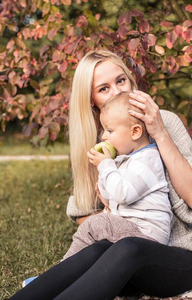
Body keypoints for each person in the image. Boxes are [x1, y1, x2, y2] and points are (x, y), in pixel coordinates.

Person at [10, 49, 192, 299]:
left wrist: (159, 133)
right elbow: (82, 213)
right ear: (91, 100)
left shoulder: (165, 122)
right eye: (104, 88)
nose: (118, 92)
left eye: (121, 81)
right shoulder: (103, 140)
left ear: (131, 81)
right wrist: (112, 216)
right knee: (105, 248)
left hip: (177, 259)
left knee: (129, 246)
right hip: (122, 259)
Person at [62, 92, 171, 260]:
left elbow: (123, 195)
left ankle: (63, 268)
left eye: (110, 130)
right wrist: (102, 184)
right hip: (131, 227)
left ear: (135, 132)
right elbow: (112, 196)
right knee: (98, 236)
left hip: (147, 233)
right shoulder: (125, 159)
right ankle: (76, 269)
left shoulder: (148, 160)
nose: (104, 136)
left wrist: (105, 165)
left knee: (93, 225)